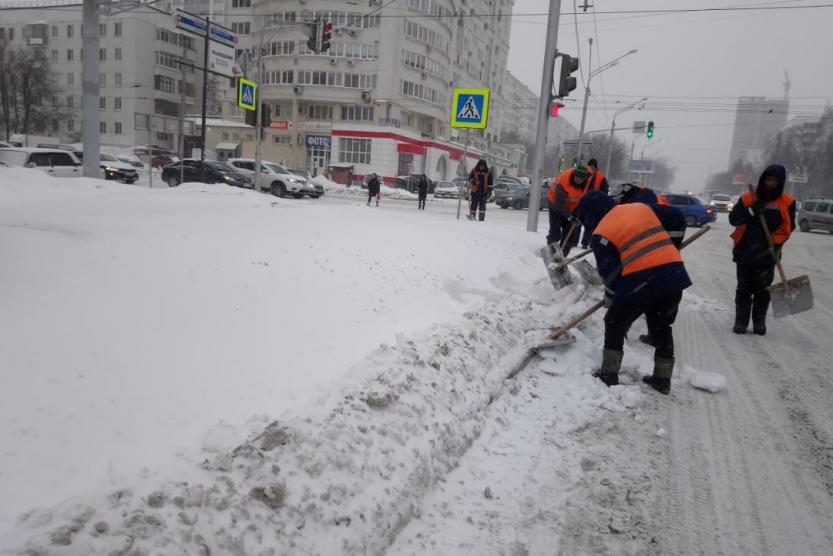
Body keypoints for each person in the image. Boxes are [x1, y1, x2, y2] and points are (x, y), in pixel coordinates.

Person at [576, 190, 691, 394]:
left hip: (642, 280)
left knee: (614, 323)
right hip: (673, 274)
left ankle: (609, 374)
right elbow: (675, 215)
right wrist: (672, 246)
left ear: (590, 214)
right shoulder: (637, 208)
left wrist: (611, 300)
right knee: (661, 326)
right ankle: (662, 379)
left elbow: (611, 277)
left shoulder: (601, 234)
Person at [729, 164, 795, 335]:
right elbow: (734, 219)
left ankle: (759, 322)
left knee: (763, 289)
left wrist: (775, 244)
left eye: (774, 181)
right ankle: (741, 322)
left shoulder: (787, 201)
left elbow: (788, 227)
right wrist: (750, 211)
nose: (770, 184)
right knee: (743, 288)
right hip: (745, 250)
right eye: (768, 180)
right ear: (762, 180)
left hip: (768, 251)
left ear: (780, 182)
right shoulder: (748, 198)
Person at [547, 165, 592, 256]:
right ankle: (551, 255)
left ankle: (562, 257)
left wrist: (577, 216)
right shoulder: (563, 181)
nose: (579, 180)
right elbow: (560, 204)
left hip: (572, 206)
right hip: (555, 204)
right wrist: (570, 217)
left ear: (585, 179)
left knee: (570, 234)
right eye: (577, 177)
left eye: (581, 179)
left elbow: (583, 199)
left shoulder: (587, 183)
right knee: (555, 232)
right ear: (574, 175)